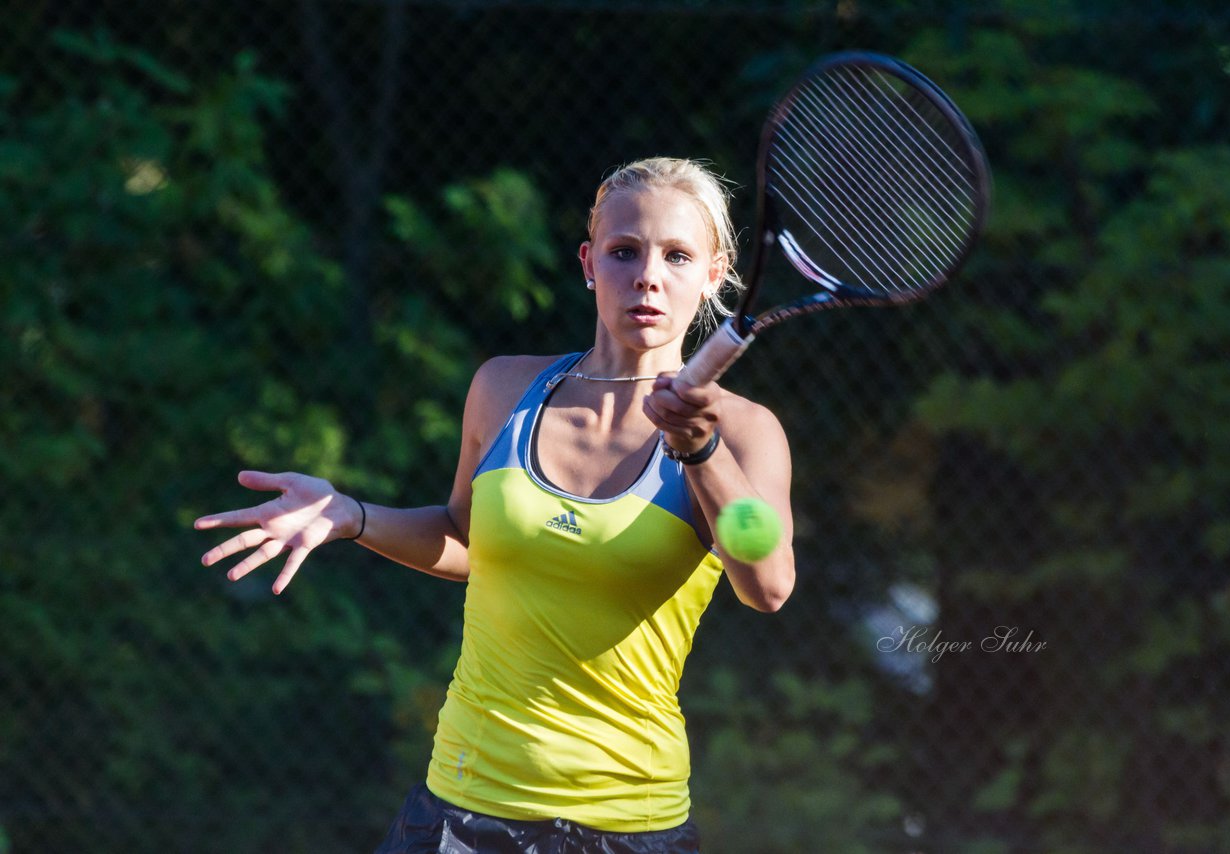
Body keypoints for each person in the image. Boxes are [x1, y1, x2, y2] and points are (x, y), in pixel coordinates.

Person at [195, 156, 795, 853]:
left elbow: (768, 584)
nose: (648, 276)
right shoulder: (504, 389)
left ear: (714, 273)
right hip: (459, 804)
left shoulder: (746, 432)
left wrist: (699, 451)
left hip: (628, 823)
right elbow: (468, 540)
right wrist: (353, 516)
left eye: (677, 255)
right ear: (588, 262)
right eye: (624, 251)